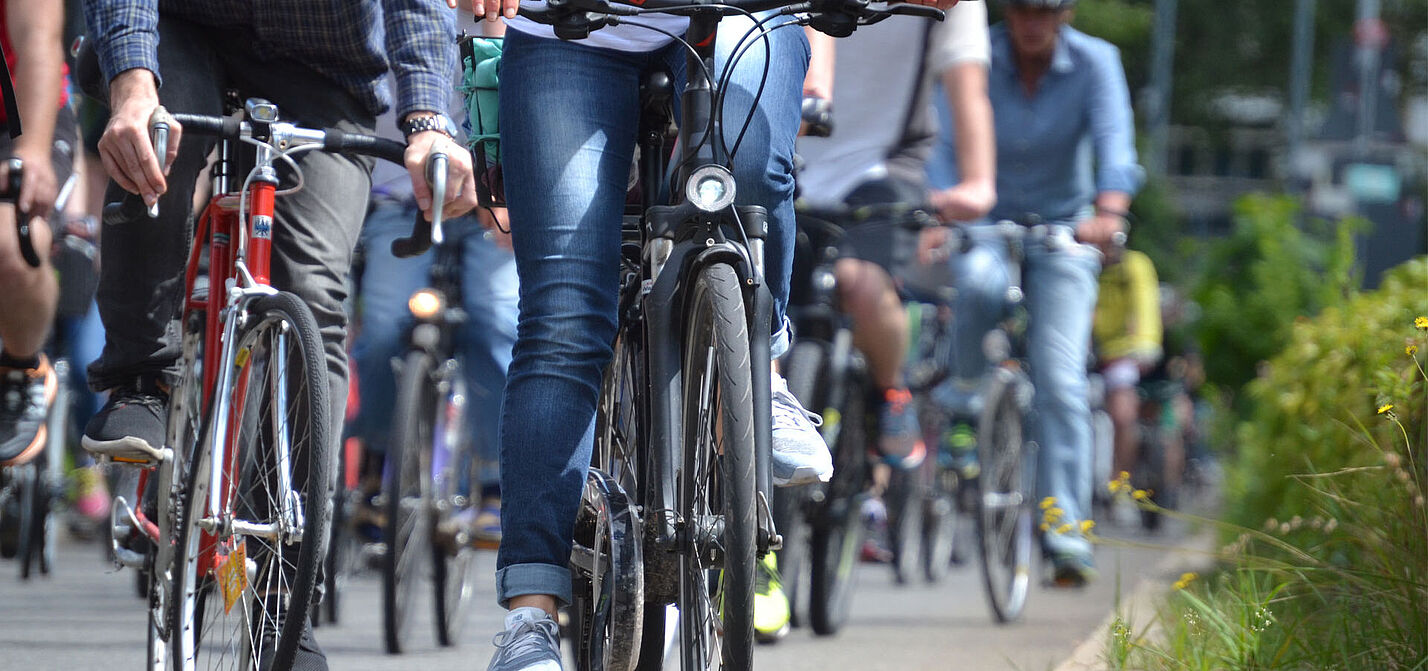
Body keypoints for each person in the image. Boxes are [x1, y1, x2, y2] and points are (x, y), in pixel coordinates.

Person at [465, 0, 955, 666]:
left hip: (738, 12)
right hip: (567, 27)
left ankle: (761, 373)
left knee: (747, 169)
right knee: (565, 316)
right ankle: (530, 623)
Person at [77, 0, 476, 666]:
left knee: (314, 296)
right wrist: (131, 81)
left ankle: (285, 592)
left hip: (324, 65)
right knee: (157, 148)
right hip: (180, 31)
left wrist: (430, 120)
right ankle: (140, 379)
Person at [927, 0, 1143, 586]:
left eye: (1045, 10)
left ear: (1065, 13)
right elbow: (945, 138)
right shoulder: (976, 54)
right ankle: (966, 403)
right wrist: (939, 204)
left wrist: (1109, 212)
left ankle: (1066, 534)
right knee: (974, 282)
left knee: (1062, 380)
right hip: (985, 221)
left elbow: (1115, 146)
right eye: (1021, 7)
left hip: (1064, 229)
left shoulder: (1098, 63)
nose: (1031, 21)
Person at [796, 0, 996, 469]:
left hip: (883, 166)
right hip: (793, 153)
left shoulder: (955, 4)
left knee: (861, 283)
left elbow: (968, 87)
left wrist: (978, 181)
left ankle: (891, 393)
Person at [0, 0, 70, 468]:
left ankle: (21, 368)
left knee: (11, 246)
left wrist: (32, 153)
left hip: (21, 116)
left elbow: (38, 41)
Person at [1092, 244, 1162, 505]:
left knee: (1123, 415)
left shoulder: (1135, 264)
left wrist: (1145, 344)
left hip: (1120, 353)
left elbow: (1146, 305)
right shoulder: (1081, 257)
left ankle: (1120, 483)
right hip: (1082, 352)